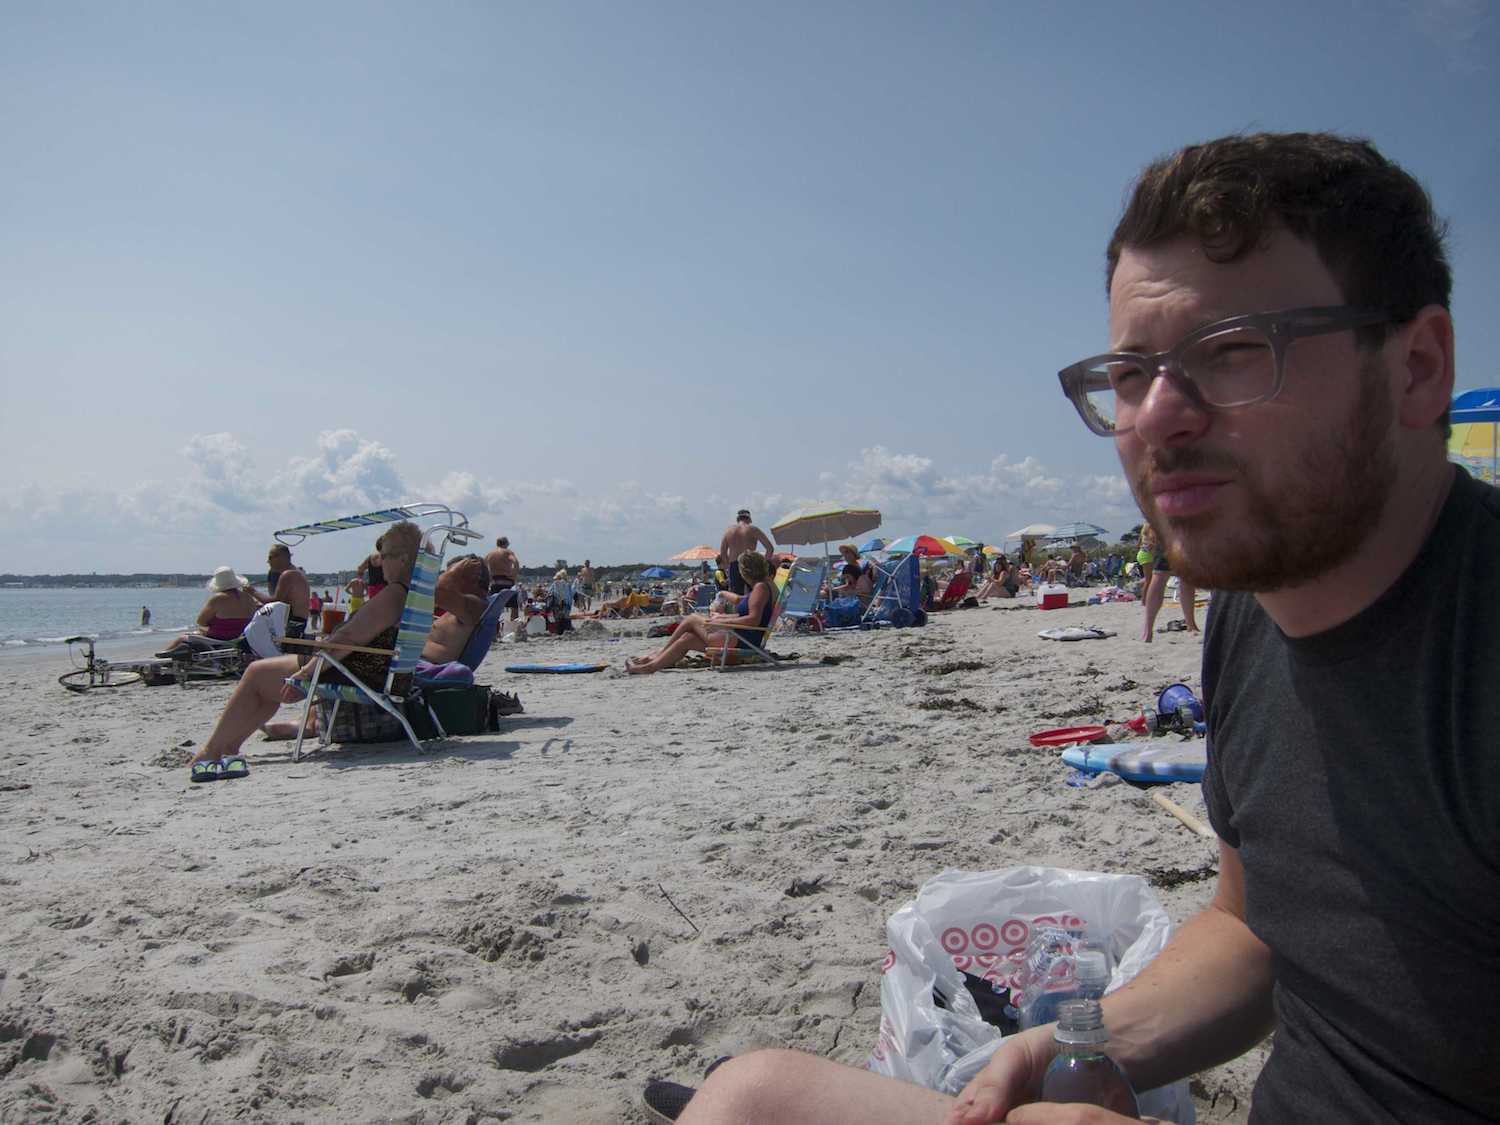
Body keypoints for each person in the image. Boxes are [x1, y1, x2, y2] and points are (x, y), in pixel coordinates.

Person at [663, 133, 1498, 1125]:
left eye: (1234, 352)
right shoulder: (1253, 617)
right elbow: (1252, 933)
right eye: (1131, 373)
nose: (1158, 417)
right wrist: (1076, 1042)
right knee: (750, 1095)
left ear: (1418, 367)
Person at [188, 521, 424, 779]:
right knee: (267, 679)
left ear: (403, 559)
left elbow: (348, 639)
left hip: (352, 669)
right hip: (367, 668)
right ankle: (229, 746)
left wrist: (306, 674)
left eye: (385, 556)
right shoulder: (413, 594)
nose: (379, 563)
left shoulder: (393, 595)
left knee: (256, 673)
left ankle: (210, 751)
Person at [626, 552, 775, 673]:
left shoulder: (760, 588)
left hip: (742, 640)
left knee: (691, 619)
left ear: (745, 571)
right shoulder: (760, 587)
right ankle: (651, 667)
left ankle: (658, 655)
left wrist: (721, 622)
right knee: (686, 639)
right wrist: (723, 617)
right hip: (740, 638)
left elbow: (753, 620)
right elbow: (747, 615)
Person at [157, 566, 261, 655]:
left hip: (219, 639)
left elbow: (201, 621)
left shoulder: (218, 598)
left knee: (181, 638)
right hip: (239, 638)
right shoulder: (248, 597)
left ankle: (160, 657)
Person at [1137, 519, 1199, 640]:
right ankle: (1190, 625)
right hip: (1176, 525)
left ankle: (1148, 630)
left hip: (1167, 525)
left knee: (1163, 576)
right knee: (1170, 577)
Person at [248, 543, 311, 643]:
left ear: (281, 557)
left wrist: (251, 591)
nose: (268, 561)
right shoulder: (297, 572)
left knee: (248, 639)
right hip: (299, 622)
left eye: (270, 557)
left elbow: (275, 601)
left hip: (292, 623)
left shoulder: (288, 574)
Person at [718, 510, 776, 594]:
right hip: (751, 564)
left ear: (738, 519)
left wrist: (728, 566)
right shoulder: (754, 529)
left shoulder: (728, 531)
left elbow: (723, 552)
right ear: (749, 519)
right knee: (755, 594)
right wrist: (763, 564)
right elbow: (770, 549)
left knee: (736, 596)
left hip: (734, 565)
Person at [485, 536, 522, 622]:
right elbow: (515, 562)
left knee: (494, 607)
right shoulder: (507, 552)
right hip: (507, 582)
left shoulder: (490, 554)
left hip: (494, 582)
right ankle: (513, 625)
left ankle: (495, 627)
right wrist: (514, 574)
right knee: (514, 606)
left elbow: (483, 565)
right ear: (506, 544)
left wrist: (489, 577)